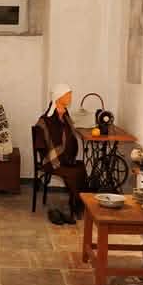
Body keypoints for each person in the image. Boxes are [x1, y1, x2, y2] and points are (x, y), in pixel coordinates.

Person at [36, 83, 87, 224]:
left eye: (70, 94)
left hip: (65, 159)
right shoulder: (46, 119)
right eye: (67, 94)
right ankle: (75, 208)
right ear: (58, 97)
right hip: (52, 161)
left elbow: (69, 137)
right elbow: (43, 144)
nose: (70, 97)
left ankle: (77, 204)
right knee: (74, 173)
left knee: (81, 168)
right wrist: (58, 155)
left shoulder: (65, 115)